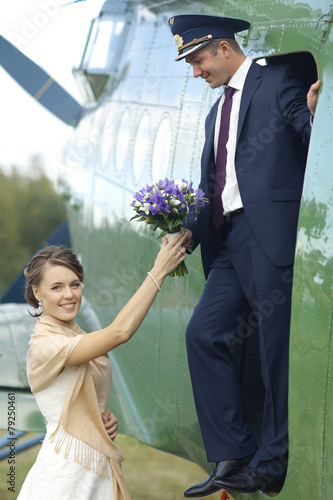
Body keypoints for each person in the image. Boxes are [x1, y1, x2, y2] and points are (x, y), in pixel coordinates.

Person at [168, 14, 320, 497]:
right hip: (229, 240)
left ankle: (271, 464)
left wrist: (315, 115)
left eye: (197, 59)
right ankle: (232, 454)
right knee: (204, 333)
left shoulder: (278, 79)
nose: (195, 72)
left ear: (222, 48)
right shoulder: (217, 113)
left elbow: (306, 131)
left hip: (269, 232)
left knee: (274, 351)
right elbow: (214, 187)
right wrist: (187, 233)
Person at [17, 235, 187, 500]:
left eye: (75, 284)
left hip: (93, 469)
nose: (69, 294)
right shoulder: (45, 346)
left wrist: (98, 417)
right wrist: (159, 271)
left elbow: (79, 396)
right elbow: (119, 332)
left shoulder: (72, 333)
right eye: (57, 287)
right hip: (66, 474)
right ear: (37, 292)